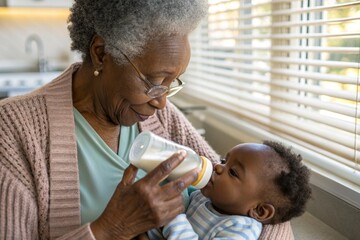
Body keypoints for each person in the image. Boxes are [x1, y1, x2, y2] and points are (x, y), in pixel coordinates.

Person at [0, 0, 294, 239]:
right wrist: (110, 229)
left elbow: (265, 205)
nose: (162, 101)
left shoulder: (157, 115)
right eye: (154, 81)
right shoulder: (14, 129)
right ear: (102, 53)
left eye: (171, 83)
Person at [148, 141, 312, 240]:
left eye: (233, 172)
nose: (218, 167)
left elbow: (176, 220)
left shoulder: (241, 229)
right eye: (224, 161)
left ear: (259, 210)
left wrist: (173, 218)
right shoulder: (206, 197)